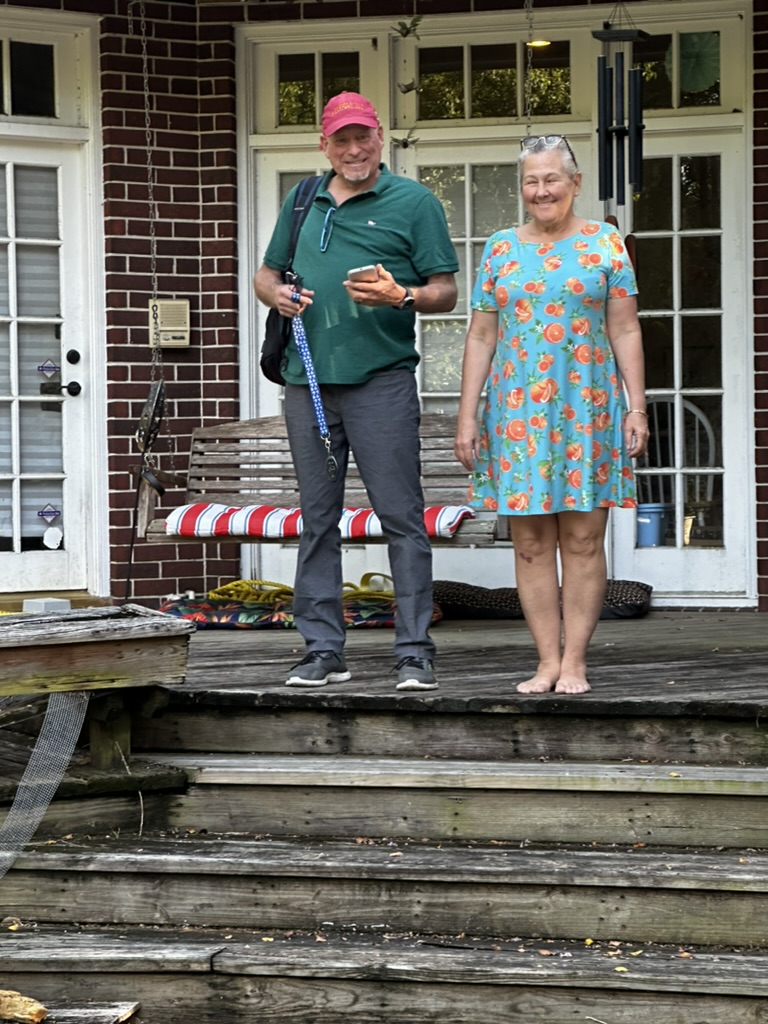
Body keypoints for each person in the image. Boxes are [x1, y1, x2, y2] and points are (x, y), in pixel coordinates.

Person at [254, 92, 458, 691]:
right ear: (325, 146)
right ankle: (323, 651)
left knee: (401, 519)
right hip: (309, 384)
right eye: (340, 140)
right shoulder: (302, 199)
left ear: (379, 137)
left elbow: (446, 291)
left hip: (381, 383)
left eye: (361, 137)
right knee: (317, 520)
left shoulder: (414, 202)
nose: (353, 150)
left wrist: (402, 295)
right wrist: (275, 295)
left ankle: (414, 652)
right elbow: (266, 274)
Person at [454, 134, 648, 696]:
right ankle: (545, 661)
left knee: (584, 540)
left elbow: (625, 329)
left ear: (575, 183)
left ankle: (575, 662)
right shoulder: (500, 248)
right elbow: (481, 335)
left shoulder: (605, 243)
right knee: (531, 543)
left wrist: (636, 406)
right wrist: (467, 416)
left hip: (588, 410)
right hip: (518, 413)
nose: (541, 191)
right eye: (531, 181)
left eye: (552, 179)